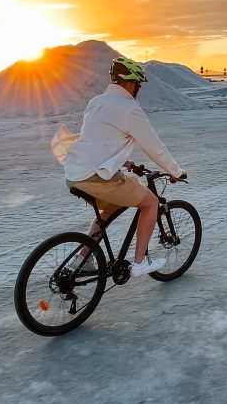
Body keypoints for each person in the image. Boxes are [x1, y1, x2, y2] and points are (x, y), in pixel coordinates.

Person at [53, 56, 186, 278]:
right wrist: (176, 171)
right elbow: (154, 146)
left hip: (75, 173)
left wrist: (125, 162)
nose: (138, 90)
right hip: (95, 176)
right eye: (138, 86)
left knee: (110, 209)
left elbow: (98, 140)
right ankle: (139, 263)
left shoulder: (96, 102)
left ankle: (81, 260)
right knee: (151, 203)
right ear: (131, 83)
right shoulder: (129, 108)